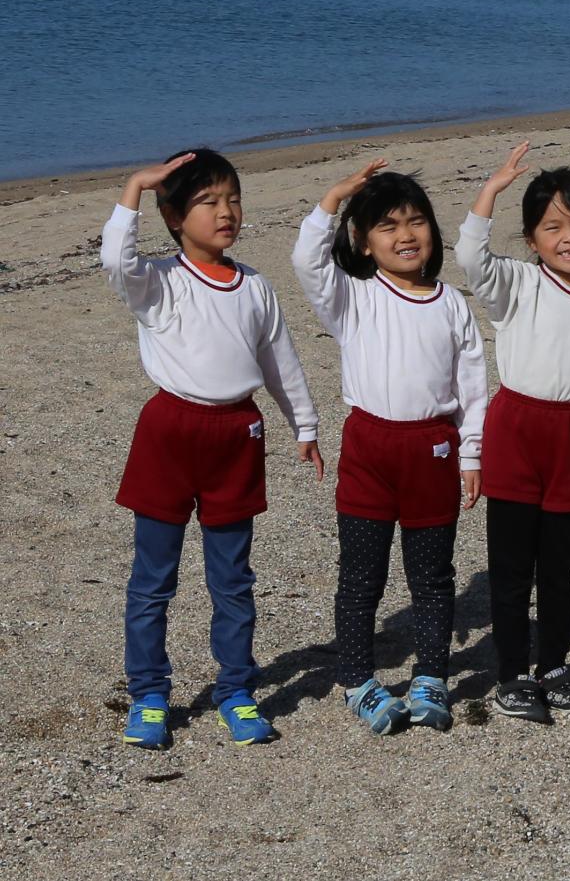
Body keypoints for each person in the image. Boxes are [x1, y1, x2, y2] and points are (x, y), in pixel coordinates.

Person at [103, 149, 320, 749]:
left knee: (233, 579)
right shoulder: (155, 281)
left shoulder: (255, 285)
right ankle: (149, 694)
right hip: (168, 432)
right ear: (173, 216)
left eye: (232, 199)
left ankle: (236, 690)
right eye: (207, 202)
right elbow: (114, 261)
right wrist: (134, 188)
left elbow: (280, 360)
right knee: (153, 578)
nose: (225, 212)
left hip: (237, 435)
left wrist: (304, 426)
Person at [293, 160, 486, 735]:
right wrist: (334, 200)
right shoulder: (351, 297)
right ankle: (358, 681)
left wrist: (471, 453)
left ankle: (431, 678)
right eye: (388, 225)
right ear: (363, 241)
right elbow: (307, 262)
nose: (405, 235)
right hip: (369, 448)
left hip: (433, 448)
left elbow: (474, 386)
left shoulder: (452, 303)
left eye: (416, 221)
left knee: (431, 577)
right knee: (361, 576)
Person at [455, 143, 570, 722]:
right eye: (552, 226)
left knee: (559, 568)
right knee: (510, 569)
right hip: (514, 431)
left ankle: (553, 668)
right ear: (532, 240)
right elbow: (470, 256)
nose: (569, 236)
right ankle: (511, 675)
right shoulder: (515, 284)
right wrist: (490, 193)